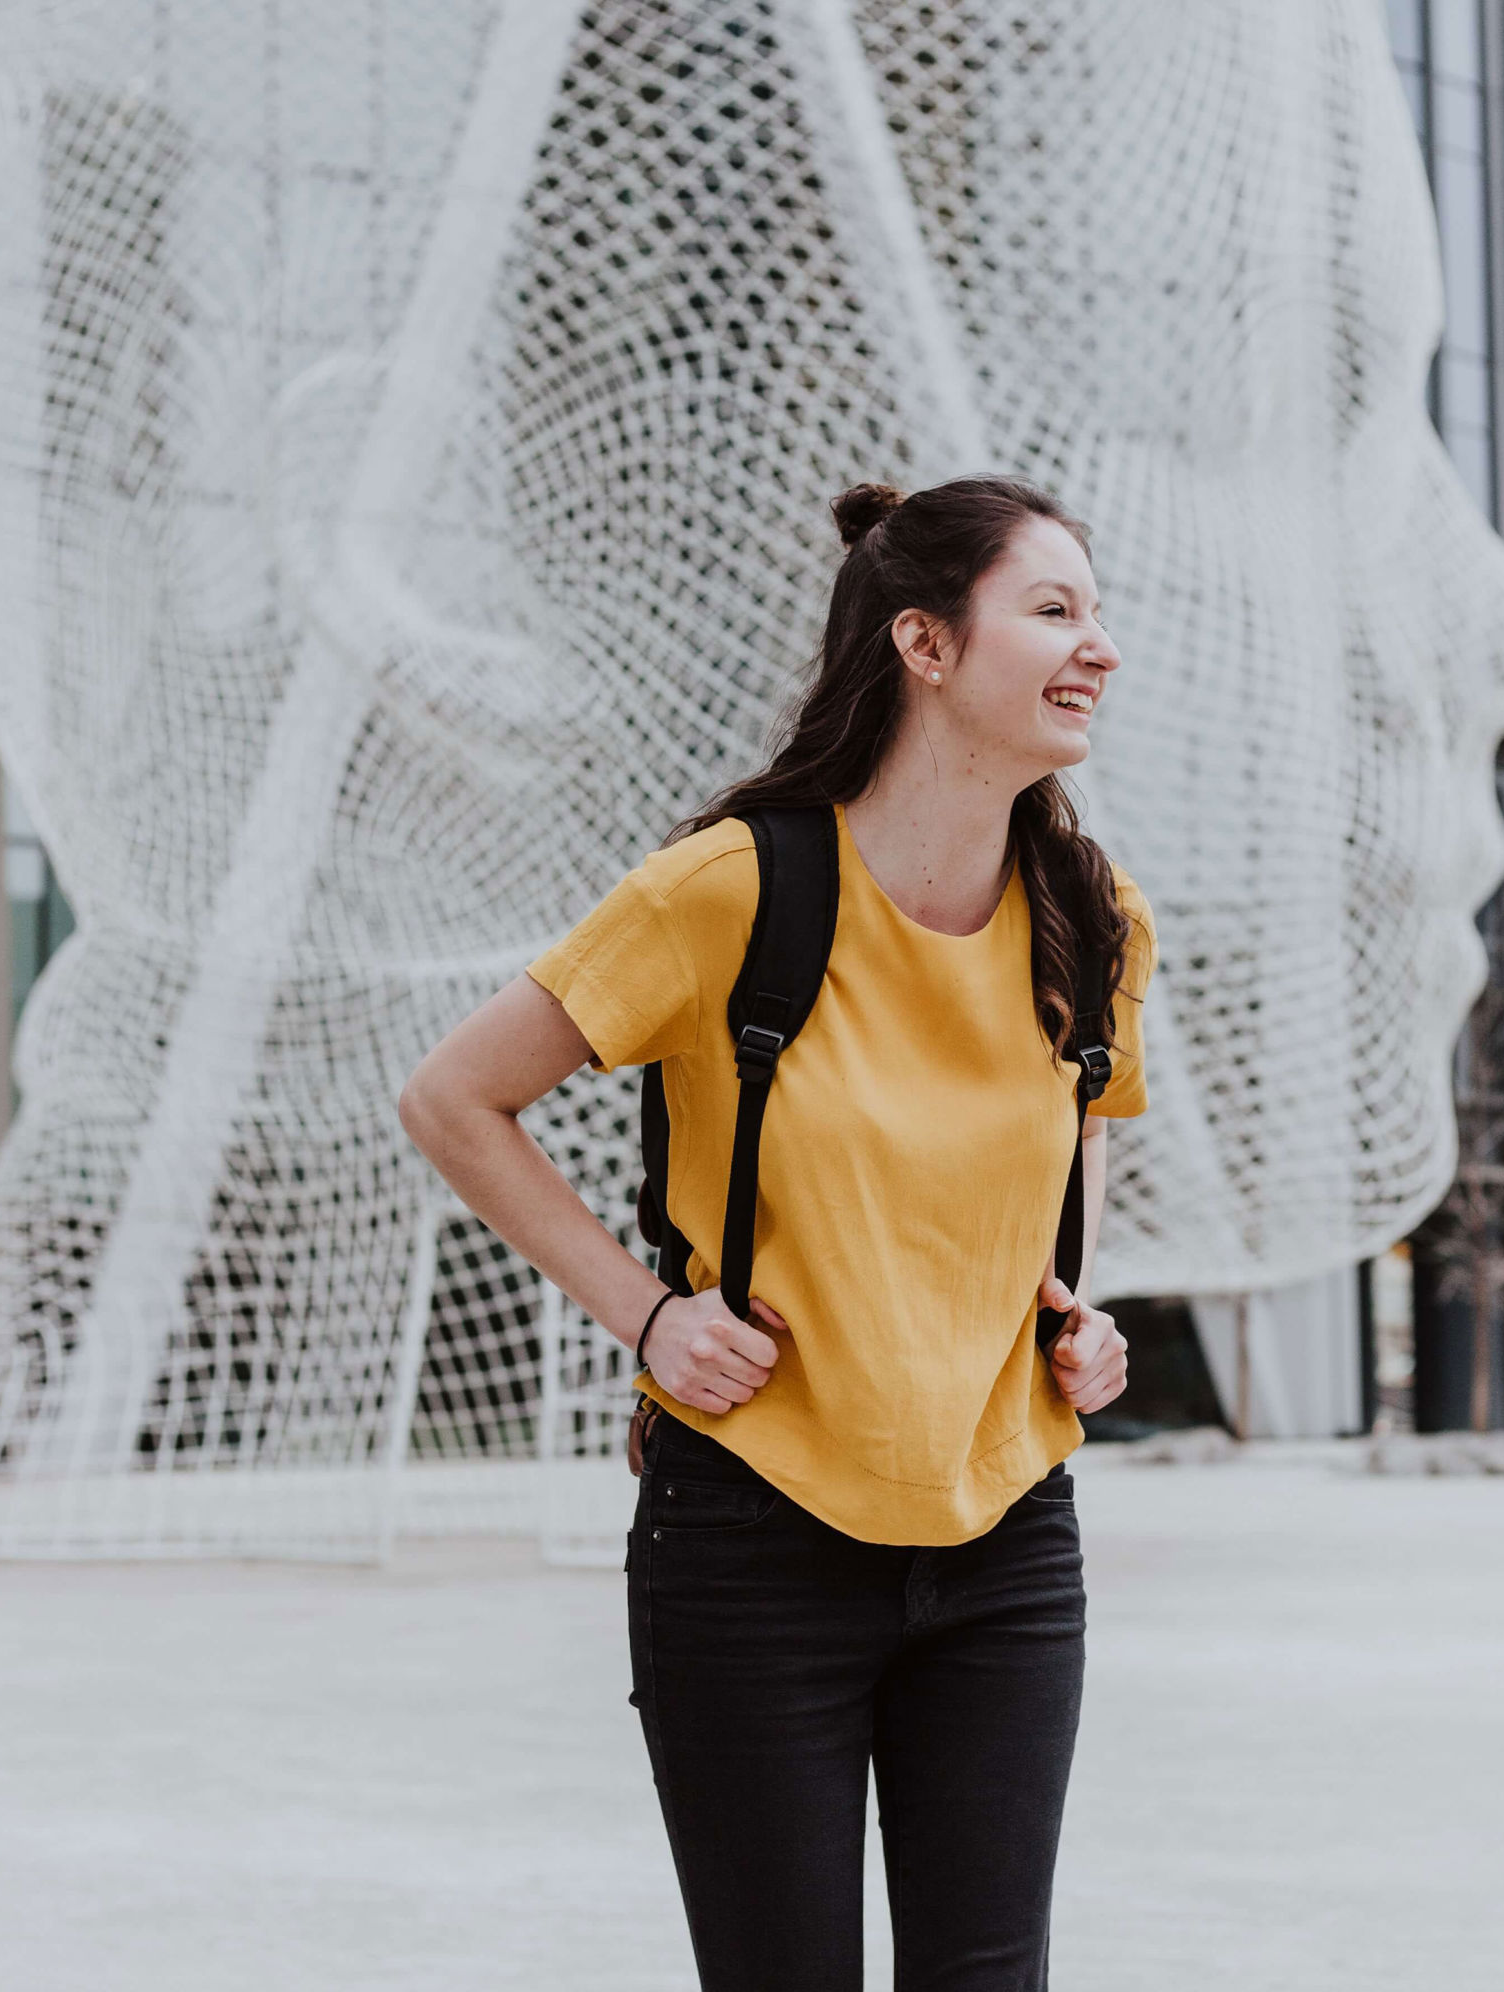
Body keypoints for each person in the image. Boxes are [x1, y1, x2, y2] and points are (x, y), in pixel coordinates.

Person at [398, 474, 1154, 1991]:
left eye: (1097, 611)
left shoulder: (1092, 912)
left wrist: (1078, 1318)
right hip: (749, 1538)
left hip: (1006, 1535)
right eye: (1055, 609)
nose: (1102, 648)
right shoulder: (728, 891)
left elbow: (1033, 1182)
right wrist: (649, 1314)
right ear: (926, 645)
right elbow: (453, 1100)